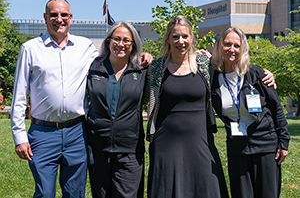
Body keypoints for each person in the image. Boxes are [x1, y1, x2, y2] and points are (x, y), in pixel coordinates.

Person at [10, 0, 152, 197]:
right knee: (45, 193)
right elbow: (19, 97)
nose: (59, 19)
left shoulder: (85, 48)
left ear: (71, 18)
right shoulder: (30, 49)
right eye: (53, 15)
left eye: (64, 15)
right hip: (42, 132)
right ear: (45, 17)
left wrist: (142, 56)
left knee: (76, 193)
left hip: (77, 132)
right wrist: (19, 137)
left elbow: (116, 57)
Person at [146, 15, 229, 198]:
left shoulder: (205, 64)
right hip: (165, 143)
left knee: (207, 188)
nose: (180, 41)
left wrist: (262, 73)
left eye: (185, 36)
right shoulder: (156, 68)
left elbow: (236, 69)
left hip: (201, 141)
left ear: (192, 38)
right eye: (175, 36)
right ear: (168, 39)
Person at [210, 26, 290, 198]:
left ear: (243, 49)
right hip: (237, 146)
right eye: (227, 44)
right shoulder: (213, 77)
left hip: (265, 144)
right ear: (219, 46)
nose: (232, 49)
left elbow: (277, 109)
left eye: (237, 46)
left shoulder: (256, 73)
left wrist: (283, 142)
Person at [86, 21, 147, 198]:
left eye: (126, 40)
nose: (121, 44)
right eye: (116, 39)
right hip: (98, 147)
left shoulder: (142, 70)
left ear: (133, 45)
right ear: (108, 41)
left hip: (130, 148)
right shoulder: (93, 68)